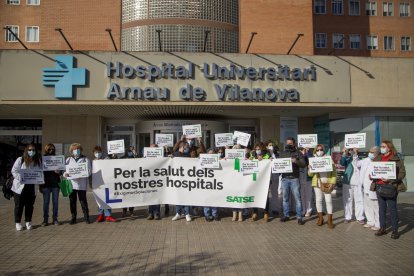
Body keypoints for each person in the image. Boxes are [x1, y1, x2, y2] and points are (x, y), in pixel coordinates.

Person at [373, 140, 406, 239]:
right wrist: (372, 176)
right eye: (381, 146)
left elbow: (402, 173)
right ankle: (382, 228)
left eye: (383, 146)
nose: (381, 148)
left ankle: (395, 230)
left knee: (392, 209)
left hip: (390, 187)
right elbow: (372, 169)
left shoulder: (396, 159)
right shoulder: (378, 158)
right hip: (379, 186)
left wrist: (391, 179)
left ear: (389, 147)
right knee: (381, 209)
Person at [11, 144, 42, 231]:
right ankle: (18, 223)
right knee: (19, 206)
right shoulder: (20, 160)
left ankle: (28, 221)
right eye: (30, 150)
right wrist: (21, 178)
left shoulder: (38, 161)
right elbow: (14, 170)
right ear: (26, 150)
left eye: (33, 150)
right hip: (20, 187)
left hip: (32, 187)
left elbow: (40, 172)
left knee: (30, 205)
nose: (31, 151)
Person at [279, 137, 306, 225]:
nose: (288, 145)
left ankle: (299, 217)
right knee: (285, 198)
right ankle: (286, 215)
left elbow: (303, 164)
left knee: (297, 199)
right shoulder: (282, 153)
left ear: (294, 144)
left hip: (294, 178)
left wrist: (296, 161)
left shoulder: (298, 153)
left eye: (290, 143)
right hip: (285, 178)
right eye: (287, 143)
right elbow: (277, 164)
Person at [308, 144, 337, 229]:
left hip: (327, 183)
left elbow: (334, 173)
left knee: (328, 201)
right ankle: (320, 218)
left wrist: (332, 182)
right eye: (317, 150)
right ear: (315, 151)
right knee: (318, 200)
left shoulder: (329, 159)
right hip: (317, 183)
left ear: (324, 150)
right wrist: (310, 168)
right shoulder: (313, 159)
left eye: (321, 149)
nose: (319, 151)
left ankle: (330, 220)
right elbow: (310, 174)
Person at [64, 143, 92, 224]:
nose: (77, 151)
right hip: (71, 184)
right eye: (75, 149)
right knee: (72, 202)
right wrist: (65, 174)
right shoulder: (68, 160)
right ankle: (73, 218)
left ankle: (86, 217)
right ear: (71, 151)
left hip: (81, 184)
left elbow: (89, 171)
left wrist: (83, 173)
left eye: (78, 149)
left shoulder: (85, 159)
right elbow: (65, 171)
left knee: (83, 201)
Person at [356, 146, 380, 231]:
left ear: (377, 153)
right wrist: (355, 154)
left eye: (372, 152)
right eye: (369, 152)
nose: (370, 153)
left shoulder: (379, 161)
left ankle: (378, 224)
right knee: (367, 205)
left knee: (376, 206)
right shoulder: (365, 160)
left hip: (374, 187)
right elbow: (357, 163)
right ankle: (370, 221)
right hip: (365, 187)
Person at [341, 147, 364, 224]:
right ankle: (348, 217)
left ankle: (360, 217)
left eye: (353, 150)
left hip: (358, 182)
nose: (352, 151)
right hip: (348, 182)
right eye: (350, 150)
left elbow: (359, 164)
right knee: (347, 200)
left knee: (359, 200)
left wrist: (356, 154)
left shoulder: (360, 159)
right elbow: (341, 162)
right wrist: (344, 153)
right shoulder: (346, 158)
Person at [94, 146, 116, 223]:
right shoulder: (93, 162)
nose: (97, 154)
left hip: (106, 183)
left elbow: (112, 165)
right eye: (96, 152)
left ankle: (108, 215)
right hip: (97, 184)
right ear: (94, 153)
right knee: (99, 200)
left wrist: (113, 157)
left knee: (108, 199)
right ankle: (101, 215)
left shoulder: (106, 159)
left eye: (99, 152)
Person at [171, 140, 192, 222]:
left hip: (186, 179)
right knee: (178, 197)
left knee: (186, 197)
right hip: (177, 179)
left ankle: (187, 214)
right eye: (186, 147)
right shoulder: (175, 155)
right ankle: (178, 213)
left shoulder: (187, 155)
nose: (187, 149)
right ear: (182, 147)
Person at [250, 142, 271, 222]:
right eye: (256, 149)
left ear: (262, 149)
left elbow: (268, 161)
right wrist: (250, 160)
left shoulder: (267, 154)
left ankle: (266, 212)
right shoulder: (252, 154)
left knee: (265, 196)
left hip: (264, 178)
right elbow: (250, 161)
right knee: (254, 195)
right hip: (255, 178)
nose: (258, 150)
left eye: (259, 149)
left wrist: (264, 159)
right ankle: (255, 212)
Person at [41, 144, 61, 226]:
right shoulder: (42, 159)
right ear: (46, 149)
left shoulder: (57, 158)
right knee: (46, 203)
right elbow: (38, 171)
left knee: (55, 202)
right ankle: (45, 219)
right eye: (49, 149)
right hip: (45, 184)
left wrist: (59, 171)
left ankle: (55, 218)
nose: (51, 150)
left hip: (55, 184)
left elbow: (62, 170)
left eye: (53, 149)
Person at [203, 147, 219, 222]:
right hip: (206, 183)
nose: (211, 155)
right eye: (209, 154)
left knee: (215, 199)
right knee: (207, 199)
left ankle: (214, 215)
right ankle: (207, 215)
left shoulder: (218, 161)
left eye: (212, 154)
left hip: (215, 183)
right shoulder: (202, 161)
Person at [147, 143, 161, 220]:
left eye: (153, 148)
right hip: (149, 179)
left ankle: (157, 213)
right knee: (150, 197)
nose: (152, 150)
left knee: (156, 197)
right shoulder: (146, 157)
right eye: (150, 148)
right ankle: (150, 213)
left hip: (157, 179)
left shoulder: (160, 156)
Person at [122, 146, 137, 217]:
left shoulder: (135, 158)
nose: (131, 151)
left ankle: (131, 211)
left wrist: (135, 155)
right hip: (124, 181)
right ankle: (124, 211)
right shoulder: (123, 158)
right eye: (130, 150)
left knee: (132, 197)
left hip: (132, 181)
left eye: (132, 150)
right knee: (124, 197)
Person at [299, 147, 313, 217]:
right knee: (302, 195)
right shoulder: (299, 156)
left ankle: (309, 210)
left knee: (308, 195)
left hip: (308, 178)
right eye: (302, 150)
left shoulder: (309, 155)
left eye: (304, 150)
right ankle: (303, 210)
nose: (303, 151)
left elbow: (311, 159)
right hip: (301, 178)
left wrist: (307, 152)